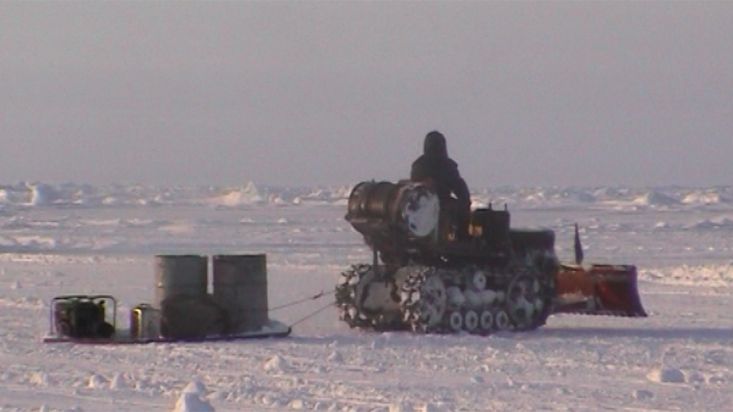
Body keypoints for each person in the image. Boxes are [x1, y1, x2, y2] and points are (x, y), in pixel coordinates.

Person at [410, 131, 471, 239]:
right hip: (439, 205)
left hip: (418, 208)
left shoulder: (418, 165)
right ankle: (462, 238)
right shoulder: (447, 165)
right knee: (461, 211)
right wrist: (464, 202)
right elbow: (460, 188)